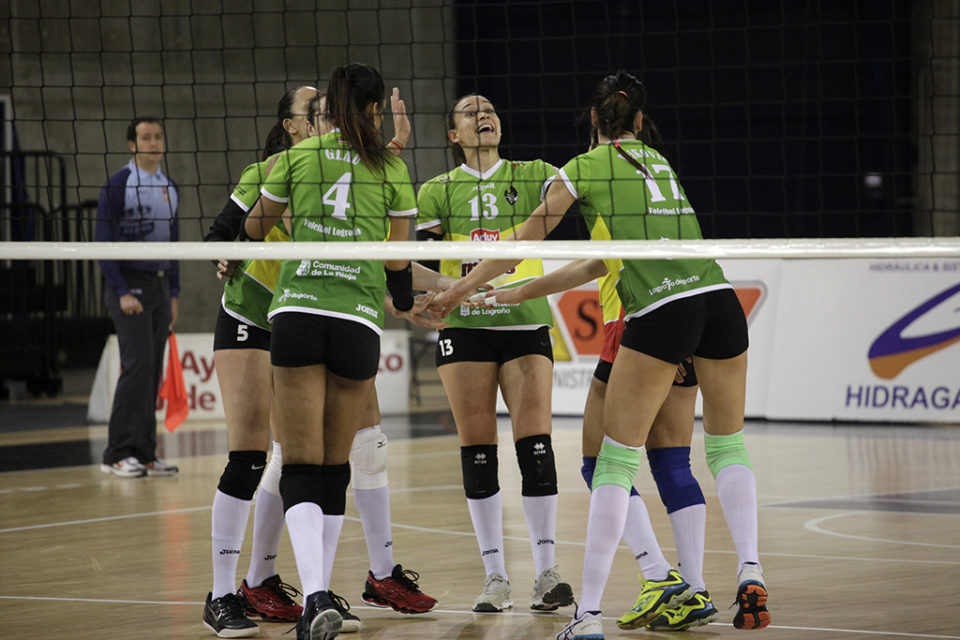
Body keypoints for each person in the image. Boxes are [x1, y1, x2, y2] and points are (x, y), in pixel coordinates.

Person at [432, 71, 770, 639]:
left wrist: (460, 289)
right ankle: (742, 571)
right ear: (639, 121)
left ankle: (589, 617)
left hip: (656, 313)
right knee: (721, 446)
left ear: (593, 120)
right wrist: (520, 293)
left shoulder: (583, 169)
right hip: (718, 299)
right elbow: (599, 259)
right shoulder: (658, 164)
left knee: (608, 463)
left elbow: (521, 241)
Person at [201, 86, 438, 638]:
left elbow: (376, 261)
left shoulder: (352, 173)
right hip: (250, 321)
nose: (328, 115)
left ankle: (277, 583)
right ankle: (219, 595)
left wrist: (449, 287)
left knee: (310, 457)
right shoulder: (276, 169)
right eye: (317, 109)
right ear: (292, 124)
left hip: (302, 322)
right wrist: (222, 254)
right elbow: (222, 231)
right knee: (250, 456)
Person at [473, 258, 716, 632]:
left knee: (598, 463)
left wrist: (514, 291)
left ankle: (656, 574)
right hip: (690, 315)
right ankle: (695, 590)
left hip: (635, 325)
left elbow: (592, 265)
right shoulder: (670, 208)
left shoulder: (608, 209)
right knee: (673, 464)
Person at [414, 94, 574, 613]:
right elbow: (409, 262)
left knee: (536, 442)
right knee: (477, 445)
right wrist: (450, 287)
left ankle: (547, 574)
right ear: (453, 133)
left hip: (524, 320)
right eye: (469, 112)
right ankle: (496, 577)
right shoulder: (437, 190)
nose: (484, 115)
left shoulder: (535, 174)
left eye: (490, 109)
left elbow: (577, 196)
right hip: (465, 327)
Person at [96, 116, 180, 479]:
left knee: (152, 370)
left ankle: (145, 452)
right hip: (128, 283)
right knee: (137, 367)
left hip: (160, 285)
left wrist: (174, 292)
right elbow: (102, 243)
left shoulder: (170, 185)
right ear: (133, 145)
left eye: (158, 136)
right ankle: (117, 452)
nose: (153, 142)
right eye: (146, 137)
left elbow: (176, 244)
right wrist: (121, 290)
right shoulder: (119, 183)